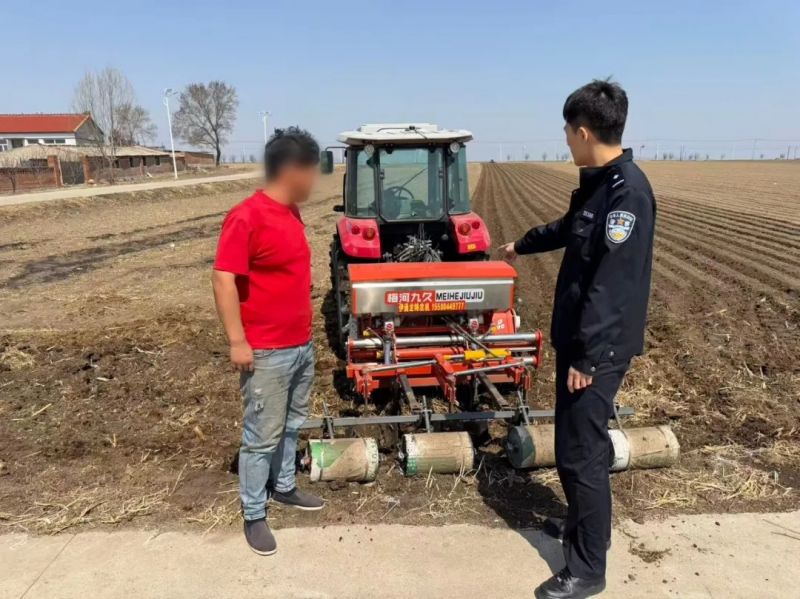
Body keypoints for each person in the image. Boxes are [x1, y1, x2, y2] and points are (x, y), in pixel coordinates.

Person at [501, 79, 656, 599]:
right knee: (575, 444)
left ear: (584, 132)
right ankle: (582, 528)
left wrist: (588, 357)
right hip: (582, 343)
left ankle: (588, 569)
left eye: (568, 132)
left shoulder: (627, 193)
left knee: (581, 452)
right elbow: (570, 228)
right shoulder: (600, 187)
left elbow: (612, 285)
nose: (566, 141)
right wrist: (521, 245)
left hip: (597, 350)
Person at [212, 127, 325, 556]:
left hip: (300, 345)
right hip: (266, 351)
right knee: (261, 435)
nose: (314, 180)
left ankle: (284, 486)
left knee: (292, 424)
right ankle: (254, 512)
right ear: (291, 170)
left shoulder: (291, 213)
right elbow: (223, 279)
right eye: (311, 170)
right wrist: (237, 341)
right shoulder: (247, 216)